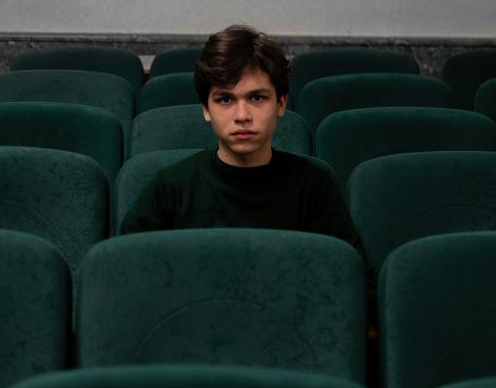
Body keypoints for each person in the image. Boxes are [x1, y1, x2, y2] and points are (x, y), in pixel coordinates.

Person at [120, 24, 361, 251]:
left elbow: (352, 281)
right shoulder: (167, 190)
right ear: (206, 109)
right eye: (225, 100)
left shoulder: (315, 186)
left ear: (281, 104)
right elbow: (121, 276)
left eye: (257, 98)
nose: (242, 116)